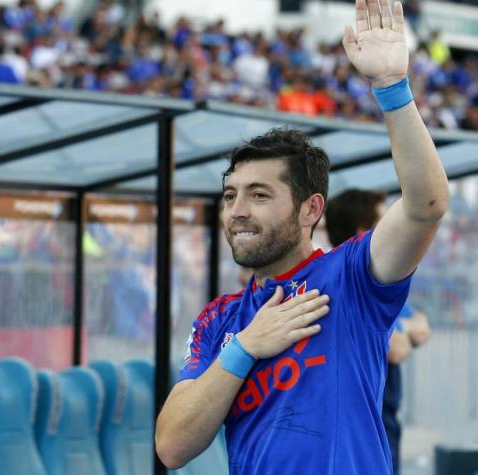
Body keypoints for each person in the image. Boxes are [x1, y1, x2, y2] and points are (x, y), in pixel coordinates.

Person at [155, 1, 450, 473]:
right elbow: (171, 447)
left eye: (258, 195)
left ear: (311, 208)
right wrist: (246, 346)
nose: (238, 211)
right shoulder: (221, 320)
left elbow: (426, 205)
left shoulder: (351, 277)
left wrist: (392, 88)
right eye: (230, 196)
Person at [324, 188, 431, 475]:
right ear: (366, 231)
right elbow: (398, 347)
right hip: (360, 429)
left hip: (380, 424)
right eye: (386, 222)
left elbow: (422, 328)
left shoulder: (381, 281)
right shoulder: (340, 280)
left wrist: (403, 329)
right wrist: (403, 331)